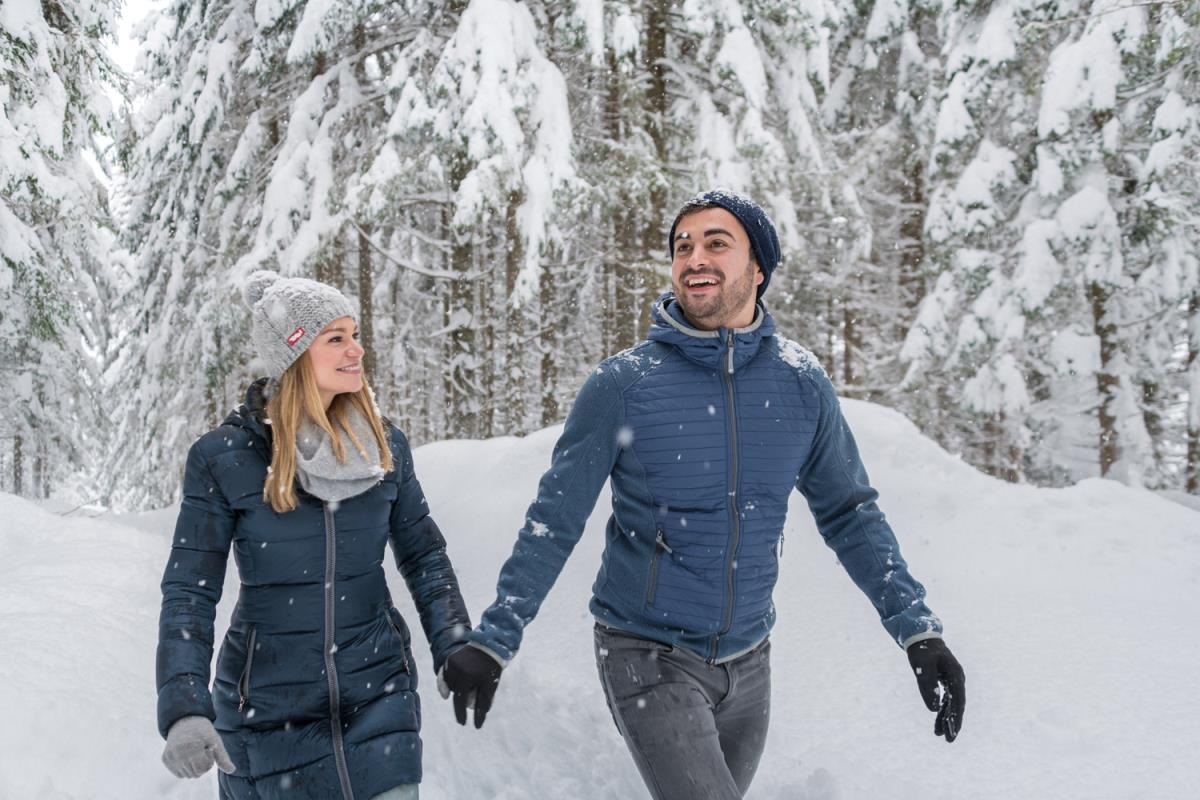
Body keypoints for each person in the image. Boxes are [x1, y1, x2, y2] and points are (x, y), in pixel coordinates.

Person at [440, 190, 966, 799]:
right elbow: (554, 521)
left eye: (717, 243)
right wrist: (495, 639)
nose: (695, 257)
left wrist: (918, 632)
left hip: (751, 660)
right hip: (647, 652)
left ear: (758, 269)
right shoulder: (624, 386)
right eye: (682, 246)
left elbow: (850, 514)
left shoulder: (800, 384)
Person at [156, 271, 470, 800]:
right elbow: (190, 592)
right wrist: (185, 706)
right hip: (265, 713)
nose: (357, 349)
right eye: (337, 338)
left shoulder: (383, 446)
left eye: (355, 333)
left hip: (378, 694)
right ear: (295, 354)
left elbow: (423, 555)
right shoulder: (224, 457)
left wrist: (455, 642)